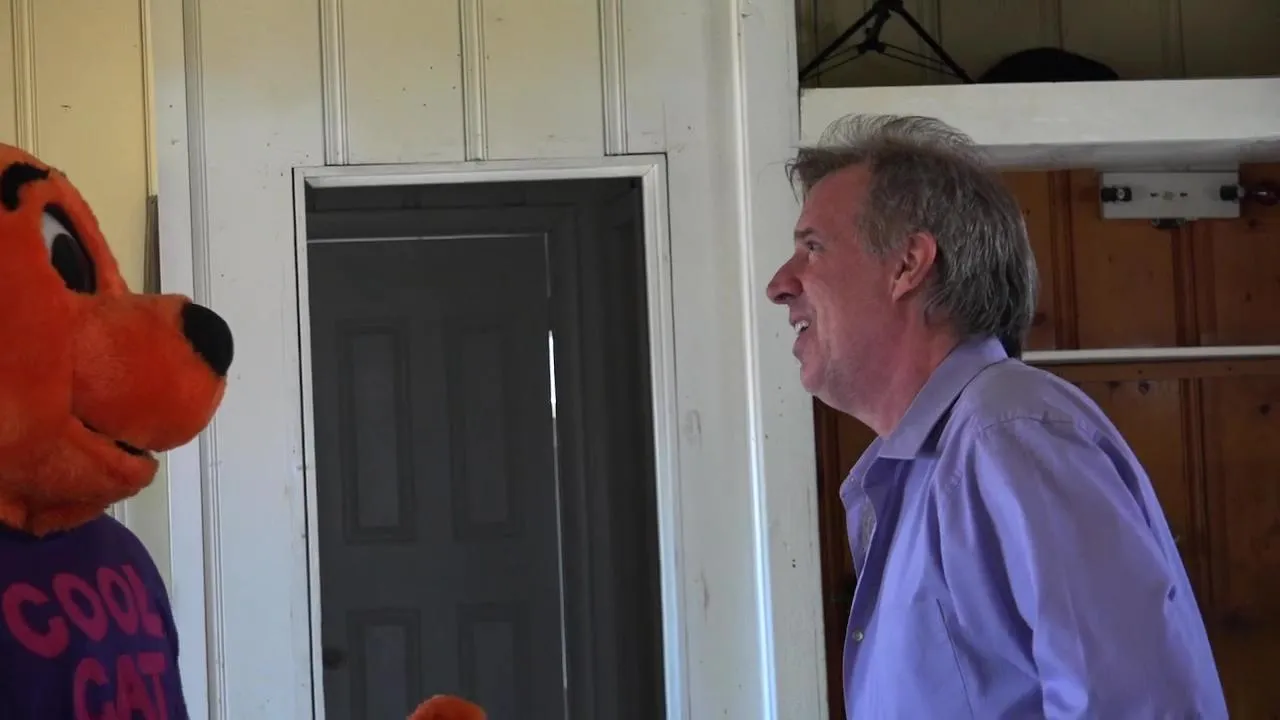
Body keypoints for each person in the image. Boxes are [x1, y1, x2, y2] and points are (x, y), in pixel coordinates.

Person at [766, 114, 1227, 719]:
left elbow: (1133, 706)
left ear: (908, 264)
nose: (780, 285)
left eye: (813, 248)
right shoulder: (936, 459)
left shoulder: (1006, 431)